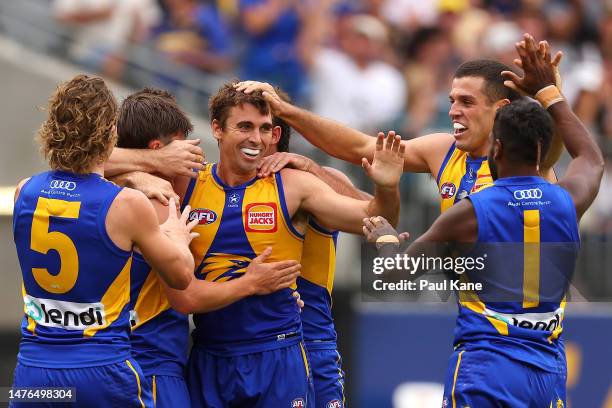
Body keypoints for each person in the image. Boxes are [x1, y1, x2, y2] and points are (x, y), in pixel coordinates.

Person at [362, 34, 604, 407]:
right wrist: (548, 92)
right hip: (548, 368)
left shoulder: (472, 211)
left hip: (487, 365)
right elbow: (590, 156)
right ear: (541, 151)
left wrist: (386, 238)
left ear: (499, 147)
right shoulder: (567, 201)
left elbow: (395, 272)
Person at [171, 83, 403, 407]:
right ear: (216, 129)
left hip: (287, 350)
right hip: (210, 355)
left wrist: (387, 187)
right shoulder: (187, 185)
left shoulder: (295, 184)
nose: (257, 138)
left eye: (266, 128)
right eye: (245, 126)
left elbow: (375, 217)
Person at [11, 75, 198, 407]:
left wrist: (128, 173)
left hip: (33, 370)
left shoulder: (24, 191)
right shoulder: (126, 205)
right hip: (100, 369)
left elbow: (73, 180)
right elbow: (182, 275)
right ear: (111, 134)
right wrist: (177, 234)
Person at [115, 88, 304, 407]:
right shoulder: (159, 204)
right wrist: (252, 283)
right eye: (181, 146)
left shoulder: (93, 192)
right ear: (157, 148)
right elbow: (185, 296)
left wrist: (136, 171)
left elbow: (75, 163)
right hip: (152, 367)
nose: (192, 152)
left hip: (97, 359)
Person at [235, 49, 564, 214]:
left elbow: (553, 153)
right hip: (475, 322)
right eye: (451, 100)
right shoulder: (443, 150)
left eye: (466, 101)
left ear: (501, 108)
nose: (453, 111)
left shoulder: (526, 157)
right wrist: (286, 111)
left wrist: (551, 94)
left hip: (527, 322)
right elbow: (359, 146)